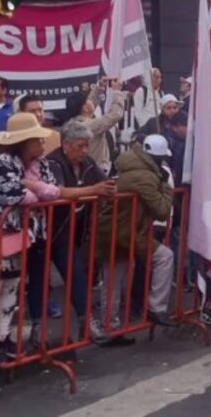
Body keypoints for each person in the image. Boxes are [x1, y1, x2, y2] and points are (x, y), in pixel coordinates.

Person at [0, 113, 58, 365]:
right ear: (24, 141)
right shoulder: (2, 162)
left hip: (21, 234)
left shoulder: (40, 164)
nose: (43, 145)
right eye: (38, 141)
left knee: (12, 287)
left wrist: (31, 185)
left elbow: (52, 191)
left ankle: (3, 337)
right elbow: (16, 197)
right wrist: (37, 189)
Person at [45, 120, 129, 345]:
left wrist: (111, 188)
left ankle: (85, 323)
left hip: (73, 231)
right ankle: (38, 332)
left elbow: (103, 182)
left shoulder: (88, 162)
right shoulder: (53, 162)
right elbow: (58, 192)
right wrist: (93, 190)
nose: (84, 151)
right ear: (66, 144)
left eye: (86, 146)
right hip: (47, 231)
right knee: (41, 281)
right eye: (80, 146)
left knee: (77, 275)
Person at [95, 134, 176, 330]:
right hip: (125, 232)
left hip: (116, 229)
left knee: (113, 280)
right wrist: (165, 186)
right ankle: (156, 307)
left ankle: (110, 326)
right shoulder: (145, 176)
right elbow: (162, 211)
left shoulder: (132, 167)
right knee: (165, 257)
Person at [65, 77, 126, 175]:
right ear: (84, 108)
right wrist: (117, 92)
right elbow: (115, 115)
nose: (90, 101)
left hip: (89, 170)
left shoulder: (75, 123)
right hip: (96, 172)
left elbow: (90, 102)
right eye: (87, 101)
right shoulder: (89, 125)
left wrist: (99, 88)